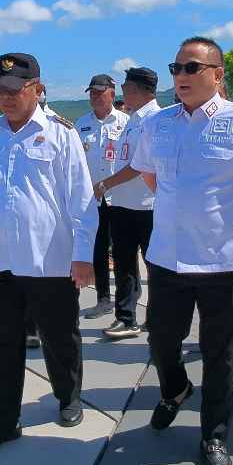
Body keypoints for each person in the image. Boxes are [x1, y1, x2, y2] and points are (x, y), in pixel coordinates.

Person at [130, 36, 233, 465]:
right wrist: (181, 211)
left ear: (218, 75)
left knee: (222, 353)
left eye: (192, 68)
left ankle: (214, 434)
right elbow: (147, 172)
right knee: (161, 339)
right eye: (177, 67)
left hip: (225, 261)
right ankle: (175, 389)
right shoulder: (157, 125)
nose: (181, 76)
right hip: (168, 257)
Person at [0, 52, 97, 454]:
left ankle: (68, 394)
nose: (5, 97)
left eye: (14, 89)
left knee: (60, 337)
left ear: (36, 89)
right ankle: (2, 422)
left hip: (50, 260)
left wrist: (84, 255)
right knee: (2, 343)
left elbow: (81, 199)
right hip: (0, 261)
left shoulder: (61, 134)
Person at [93, 66, 161, 340]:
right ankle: (126, 318)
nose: (122, 92)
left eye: (125, 87)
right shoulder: (134, 118)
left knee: (155, 265)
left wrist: (105, 184)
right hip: (123, 204)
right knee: (124, 264)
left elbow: (139, 166)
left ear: (136, 90)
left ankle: (157, 319)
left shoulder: (154, 119)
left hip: (147, 205)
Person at [75, 73, 127, 319]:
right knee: (97, 251)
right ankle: (103, 299)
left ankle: (126, 307)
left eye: (100, 92)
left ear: (112, 94)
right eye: (92, 93)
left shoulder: (126, 123)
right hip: (92, 199)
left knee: (124, 253)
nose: (95, 96)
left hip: (121, 198)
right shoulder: (80, 125)